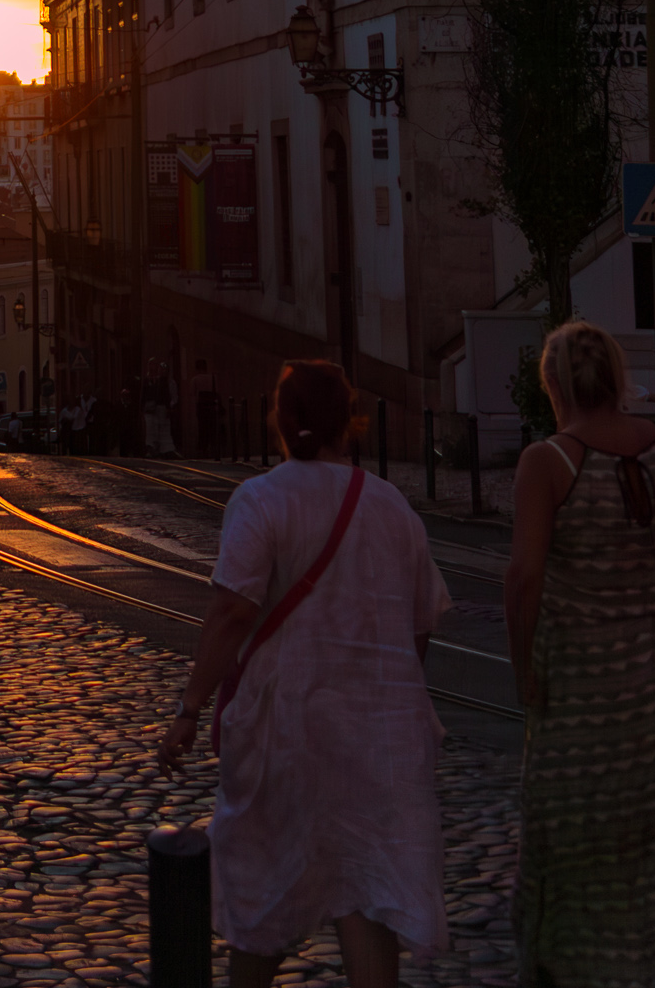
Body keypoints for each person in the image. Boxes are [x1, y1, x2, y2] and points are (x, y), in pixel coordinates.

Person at [156, 359, 450, 987]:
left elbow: (233, 610)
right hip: (380, 740)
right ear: (350, 424)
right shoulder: (393, 507)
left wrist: (189, 710)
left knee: (264, 896)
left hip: (285, 727)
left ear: (283, 423)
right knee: (365, 895)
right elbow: (419, 627)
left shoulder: (262, 498)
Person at [505, 318, 655, 986]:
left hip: (585, 713)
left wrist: (523, 667)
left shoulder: (548, 462)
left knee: (577, 874)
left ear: (554, 385)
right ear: (617, 377)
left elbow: (524, 577)